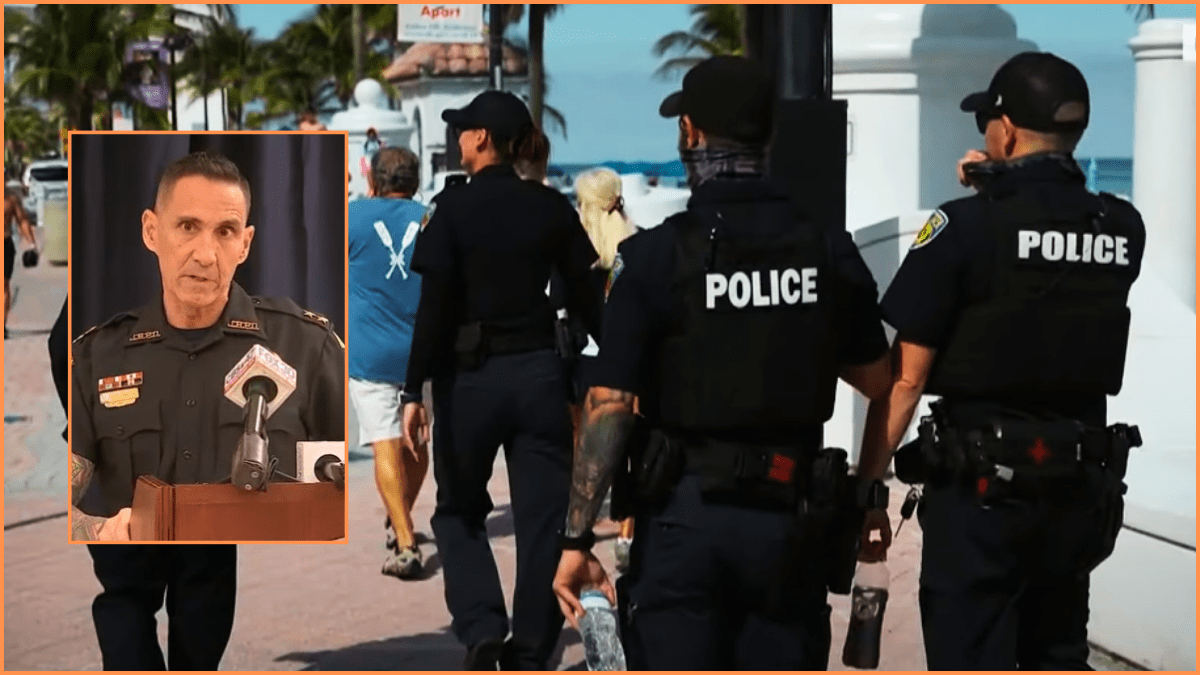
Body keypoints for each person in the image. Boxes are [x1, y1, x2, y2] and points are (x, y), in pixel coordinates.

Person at [550, 55, 895, 670]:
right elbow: (878, 380)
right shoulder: (826, 248)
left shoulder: (654, 257)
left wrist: (577, 537)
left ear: (691, 134)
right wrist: (870, 493)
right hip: (792, 520)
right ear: (769, 136)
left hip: (686, 521)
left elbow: (611, 405)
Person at [869, 52, 1146, 670]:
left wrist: (865, 489)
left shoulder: (961, 227)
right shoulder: (1124, 228)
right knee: (1058, 651)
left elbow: (907, 378)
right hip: (1078, 490)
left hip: (982, 498)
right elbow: (1046, 254)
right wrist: (1001, 189)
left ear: (1008, 131)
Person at [69, 151, 345, 670]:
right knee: (125, 634)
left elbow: (333, 479)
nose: (204, 253)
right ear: (152, 231)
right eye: (187, 227)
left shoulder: (303, 345)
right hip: (129, 542)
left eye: (224, 231)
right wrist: (94, 528)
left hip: (212, 549)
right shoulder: (99, 354)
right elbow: (72, 497)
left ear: (246, 243)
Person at [400, 90, 603, 670]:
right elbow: (588, 298)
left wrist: (415, 392)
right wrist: (617, 368)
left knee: (458, 512)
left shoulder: (452, 210)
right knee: (543, 520)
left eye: (462, 130)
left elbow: (433, 308)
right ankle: (531, 652)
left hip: (470, 384)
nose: (457, 138)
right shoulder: (550, 208)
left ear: (482, 139)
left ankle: (485, 635)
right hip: (540, 378)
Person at [349, 145, 431, 579]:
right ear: (415, 182)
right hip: (422, 353)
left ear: (373, 181)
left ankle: (405, 541)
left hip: (370, 353)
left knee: (385, 442)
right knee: (416, 446)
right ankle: (399, 518)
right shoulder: (431, 219)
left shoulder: (350, 218)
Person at [569, 167, 637, 570]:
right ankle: (627, 533)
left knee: (584, 451)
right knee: (630, 447)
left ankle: (580, 529)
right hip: (628, 359)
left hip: (585, 361)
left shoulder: (577, 253)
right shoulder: (637, 245)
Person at [5, 185, 36, 338]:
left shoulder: (11, 199)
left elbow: (22, 221)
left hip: (5, 245)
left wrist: (31, 243)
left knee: (3, 286)